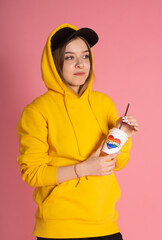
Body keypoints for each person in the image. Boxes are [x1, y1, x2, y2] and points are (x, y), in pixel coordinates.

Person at [17, 23, 139, 240]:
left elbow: (117, 163)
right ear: (55, 62)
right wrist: (83, 169)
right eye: (70, 57)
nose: (80, 64)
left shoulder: (104, 103)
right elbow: (32, 173)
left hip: (106, 226)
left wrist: (123, 135)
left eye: (85, 56)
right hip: (59, 231)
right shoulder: (36, 111)